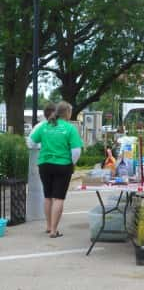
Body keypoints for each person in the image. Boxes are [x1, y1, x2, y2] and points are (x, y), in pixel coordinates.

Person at [30, 101, 83, 238]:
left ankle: (48, 226)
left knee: (47, 196)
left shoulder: (45, 126)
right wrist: (72, 162)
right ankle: (54, 231)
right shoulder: (70, 128)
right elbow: (76, 151)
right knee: (58, 198)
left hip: (44, 164)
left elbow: (31, 141)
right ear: (67, 113)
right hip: (62, 165)